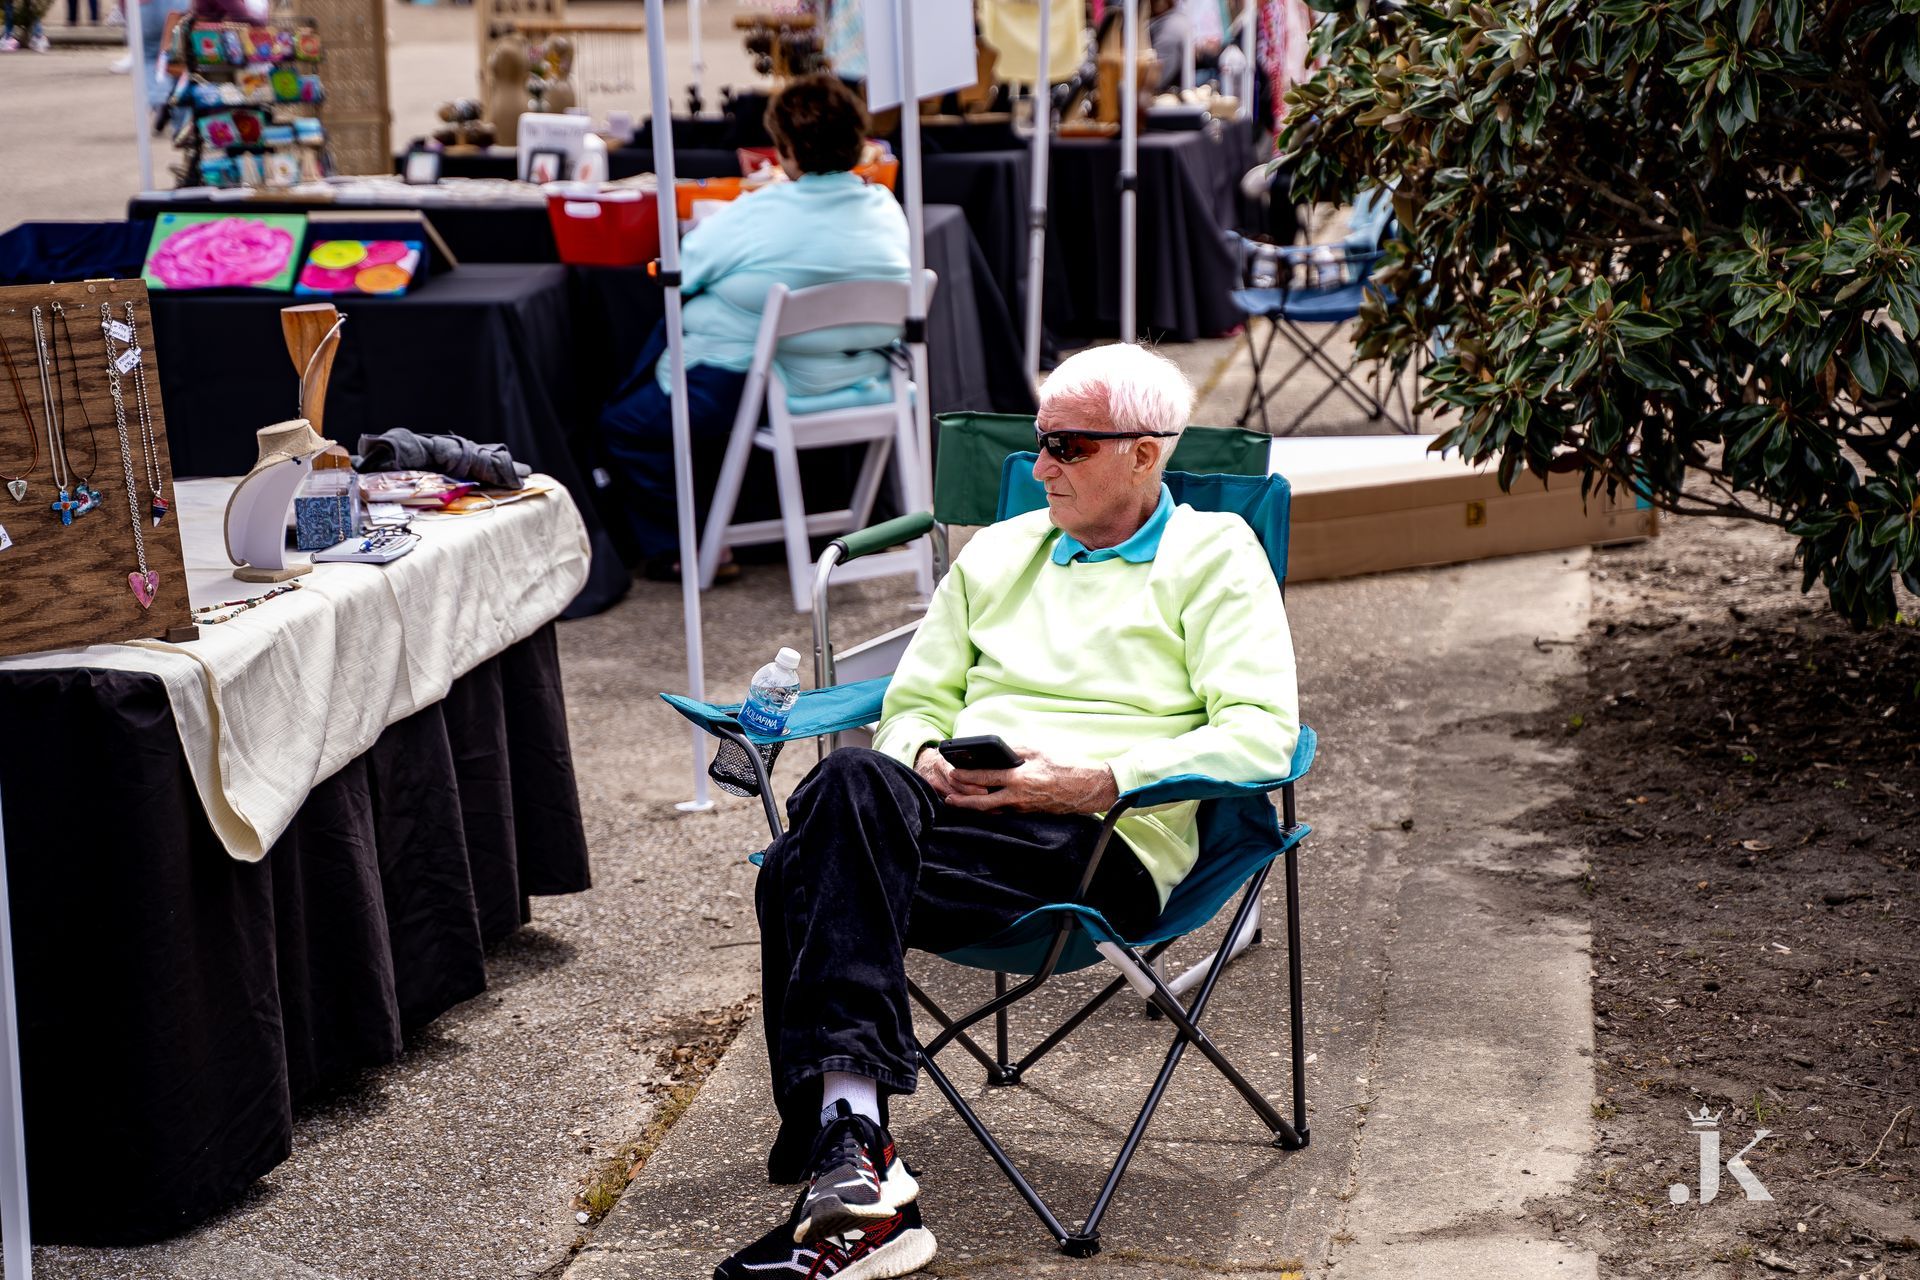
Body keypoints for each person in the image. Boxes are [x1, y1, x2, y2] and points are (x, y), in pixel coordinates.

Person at [715, 344, 1301, 1279]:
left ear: (1145, 453)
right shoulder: (998, 550)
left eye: (1069, 445)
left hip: (1096, 840)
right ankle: (860, 1172)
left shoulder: (1216, 557)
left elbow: (1266, 737)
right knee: (857, 783)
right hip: (952, 821)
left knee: (802, 866)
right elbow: (911, 704)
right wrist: (931, 762)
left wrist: (1096, 776)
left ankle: (844, 1143)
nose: (1041, 468)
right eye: (1038, 444)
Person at [597, 73, 910, 580]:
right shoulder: (885, 208)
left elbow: (684, 268)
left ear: (784, 149)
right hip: (861, 377)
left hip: (753, 382)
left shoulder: (761, 210)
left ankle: (686, 547)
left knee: (626, 423)